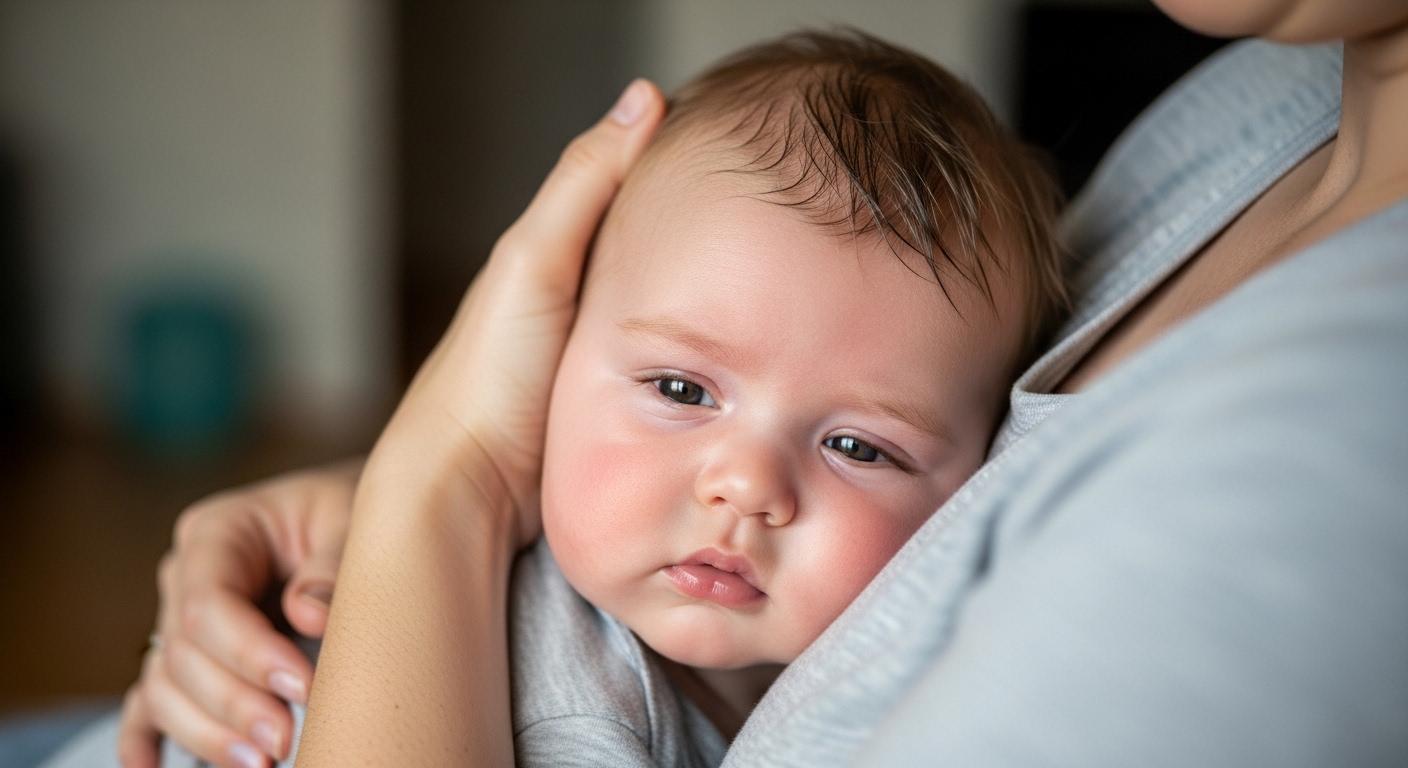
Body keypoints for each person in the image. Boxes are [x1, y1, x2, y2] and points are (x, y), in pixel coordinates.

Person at [55, 0, 1408, 765]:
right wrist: (387, 499)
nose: (745, 487)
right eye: (683, 391)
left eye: (860, 447)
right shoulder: (578, 712)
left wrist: (441, 479)